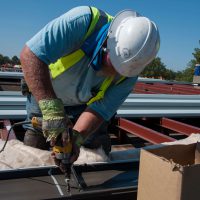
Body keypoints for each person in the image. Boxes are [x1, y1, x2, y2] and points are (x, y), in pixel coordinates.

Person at [20, 6, 160, 164]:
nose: (115, 70)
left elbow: (100, 109)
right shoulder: (83, 22)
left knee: (96, 149)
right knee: (34, 147)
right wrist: (51, 110)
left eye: (120, 69)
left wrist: (76, 139)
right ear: (108, 42)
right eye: (113, 63)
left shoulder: (129, 74)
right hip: (45, 91)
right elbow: (31, 55)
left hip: (84, 102)